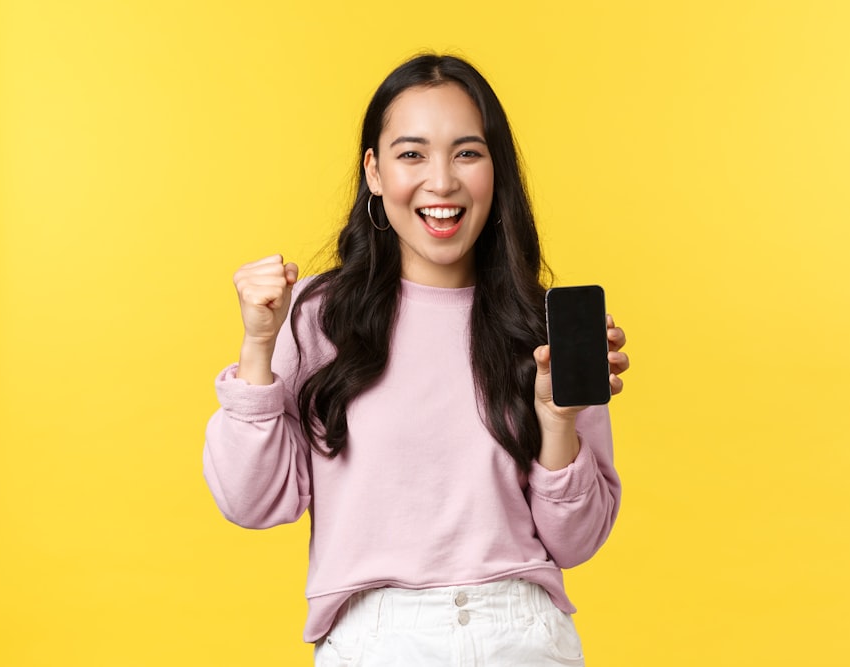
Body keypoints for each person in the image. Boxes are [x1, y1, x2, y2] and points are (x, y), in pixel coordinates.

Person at [203, 53, 630, 666]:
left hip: (522, 636)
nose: (442, 182)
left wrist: (558, 421)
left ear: (495, 169)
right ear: (373, 172)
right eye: (411, 154)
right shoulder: (319, 314)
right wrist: (257, 349)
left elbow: (578, 540)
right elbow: (251, 501)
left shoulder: (542, 327)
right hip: (375, 640)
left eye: (466, 152)